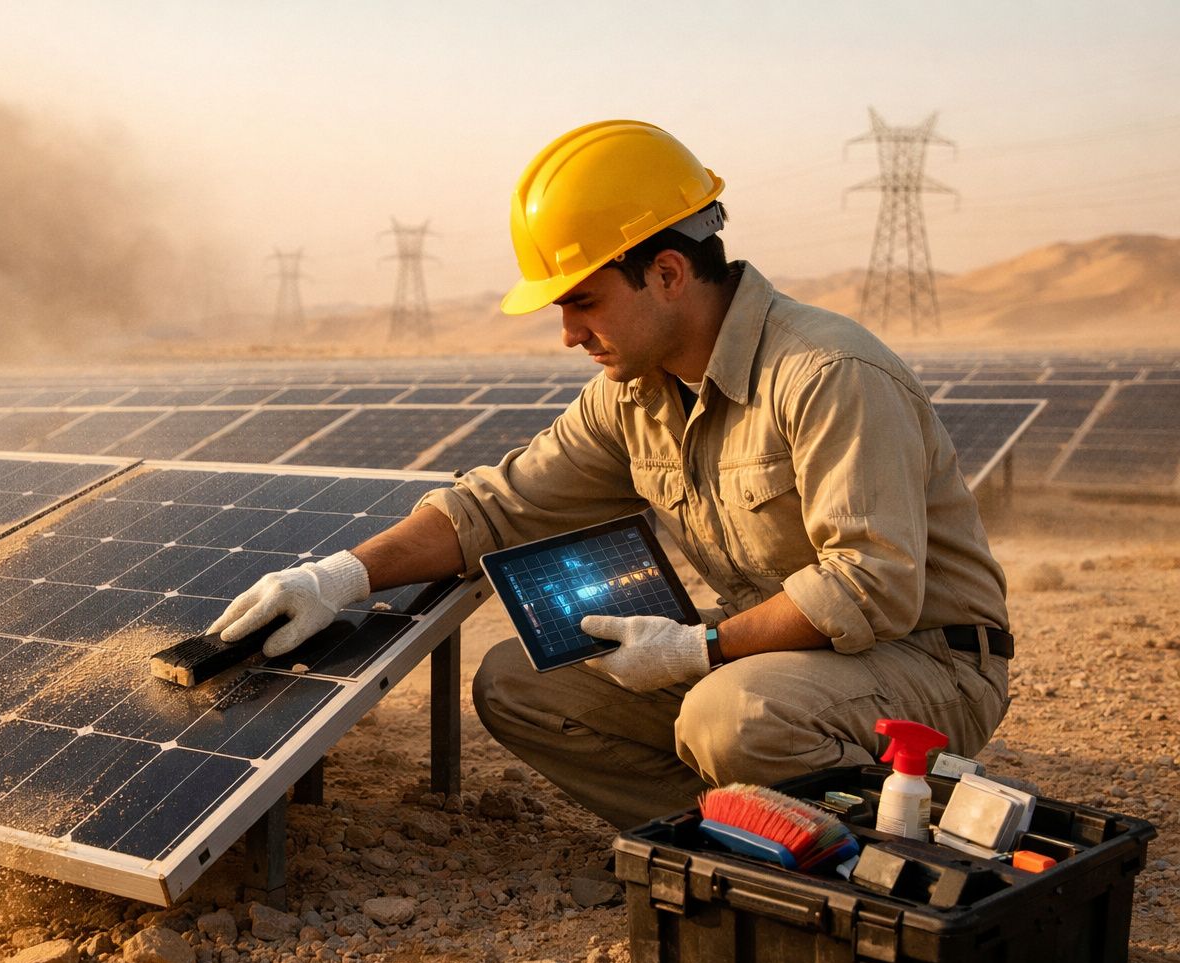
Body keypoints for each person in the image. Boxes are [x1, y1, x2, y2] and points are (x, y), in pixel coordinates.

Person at [211, 119, 1013, 829]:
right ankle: (732, 845)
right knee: (520, 682)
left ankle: (882, 831)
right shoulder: (633, 396)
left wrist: (700, 646)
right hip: (775, 661)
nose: (568, 334)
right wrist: (341, 578)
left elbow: (872, 584)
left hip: (927, 663)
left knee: (729, 719)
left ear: (667, 274)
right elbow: (497, 509)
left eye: (583, 301)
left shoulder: (826, 372)